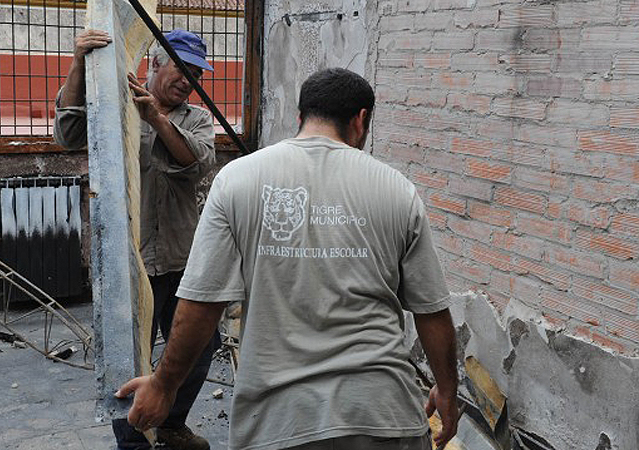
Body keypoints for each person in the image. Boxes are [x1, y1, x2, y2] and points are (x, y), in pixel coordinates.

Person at [116, 68, 460, 450]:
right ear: (361, 120)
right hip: (385, 415)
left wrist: (164, 385)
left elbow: (202, 303)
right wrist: (447, 391)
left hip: (277, 422)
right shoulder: (398, 190)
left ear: (300, 117)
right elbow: (432, 310)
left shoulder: (237, 180)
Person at [54, 29, 220, 450]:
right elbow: (68, 134)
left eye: (196, 73)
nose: (189, 80)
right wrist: (78, 64)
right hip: (129, 258)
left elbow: (197, 163)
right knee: (127, 359)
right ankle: (133, 444)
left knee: (201, 345)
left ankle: (170, 421)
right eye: (182, 68)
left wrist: (156, 120)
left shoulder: (196, 119)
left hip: (180, 257)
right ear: (155, 63)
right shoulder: (114, 102)